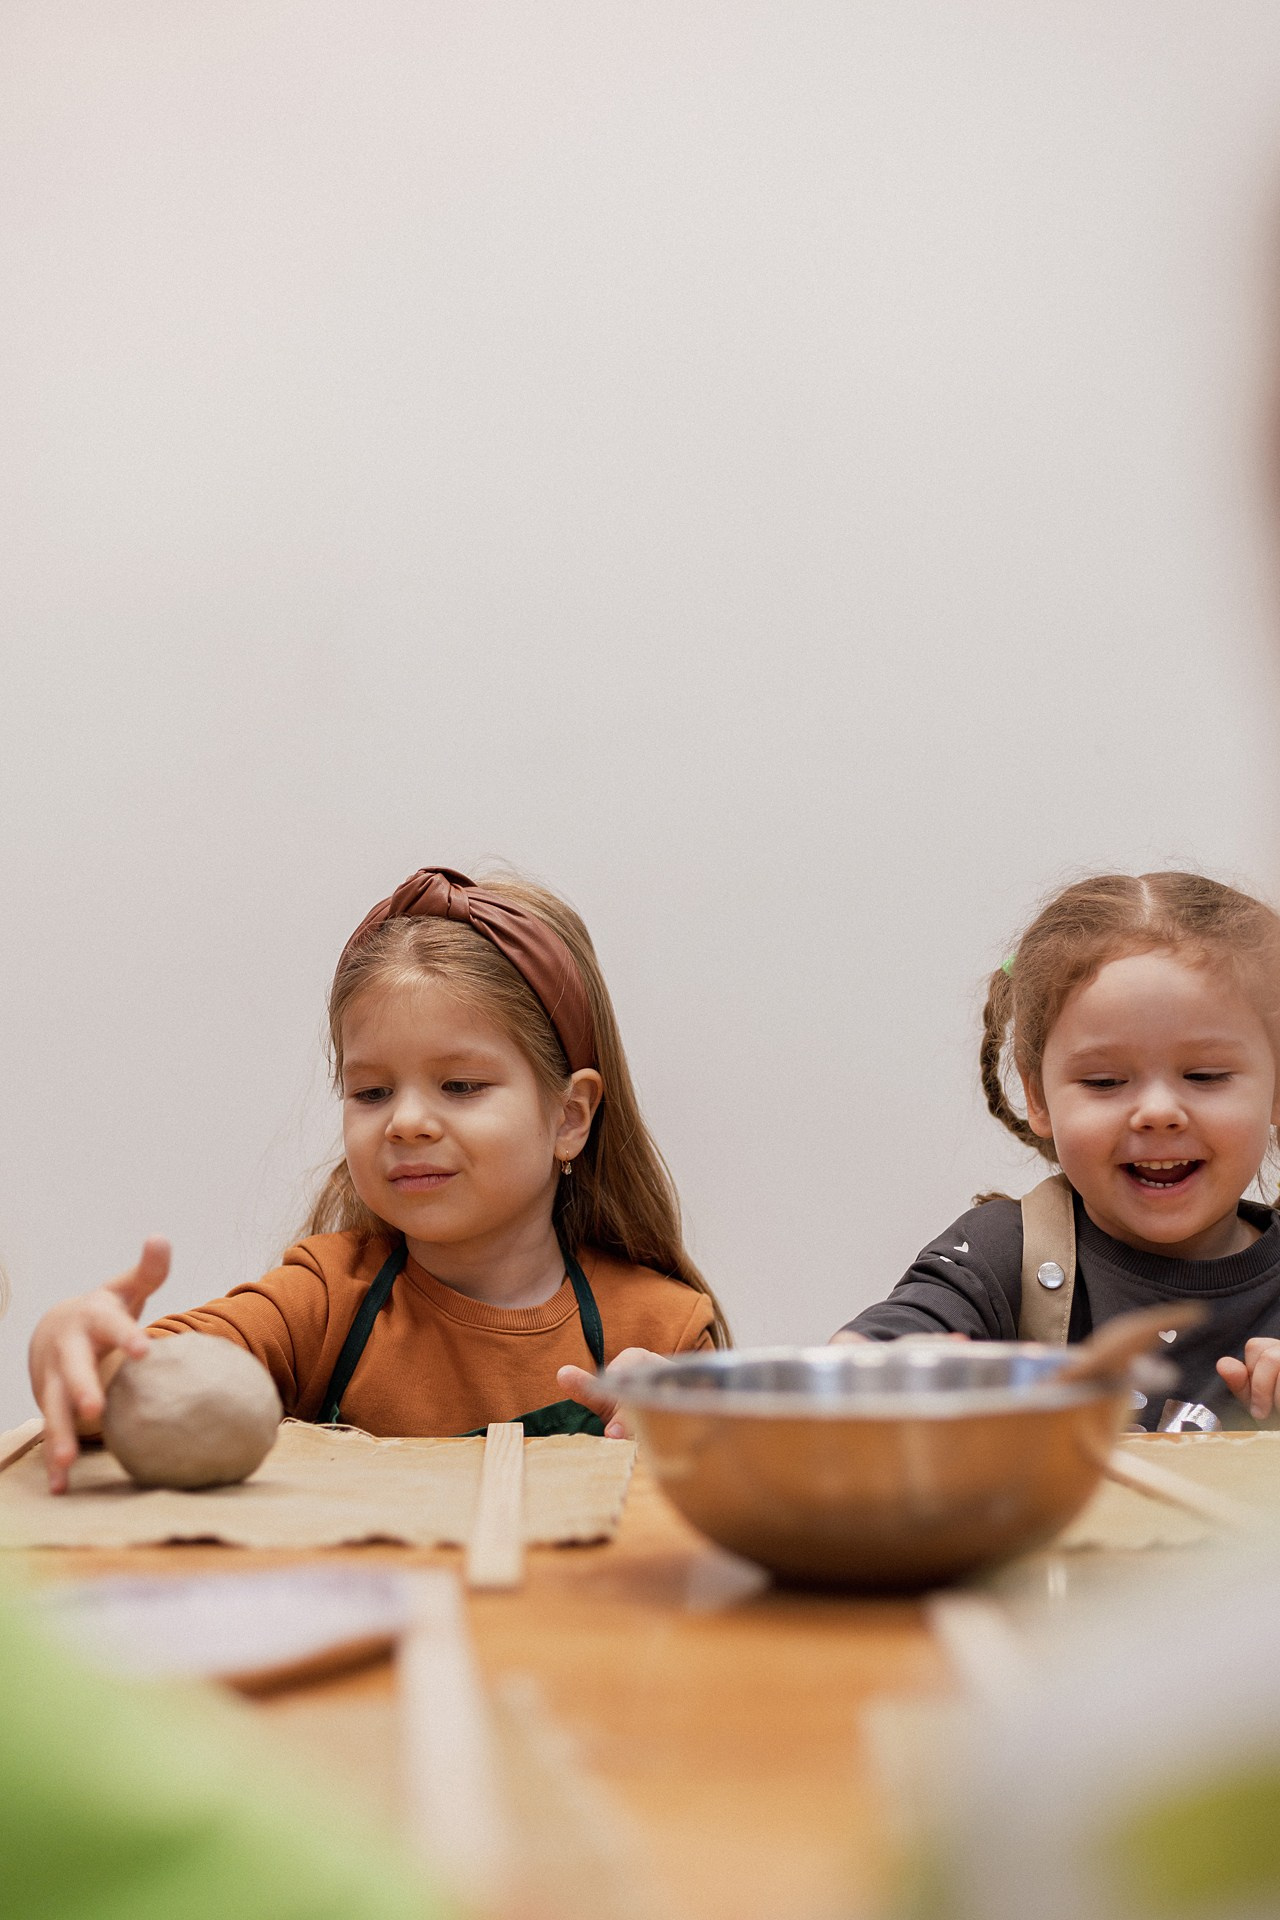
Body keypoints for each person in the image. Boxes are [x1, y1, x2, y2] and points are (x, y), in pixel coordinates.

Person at [30, 867, 726, 1489]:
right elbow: (131, 1395)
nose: (406, 1122)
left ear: (569, 1117)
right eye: (371, 1093)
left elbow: (739, 1512)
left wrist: (692, 1431)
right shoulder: (321, 1303)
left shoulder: (667, 1331)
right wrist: (71, 1347)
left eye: (460, 1085)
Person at [834, 870, 1280, 1429]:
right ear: (1037, 1096)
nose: (1158, 1112)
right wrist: (879, 1371)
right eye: (1104, 1082)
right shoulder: (1001, 1256)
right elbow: (870, 1351)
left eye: (1206, 1074)